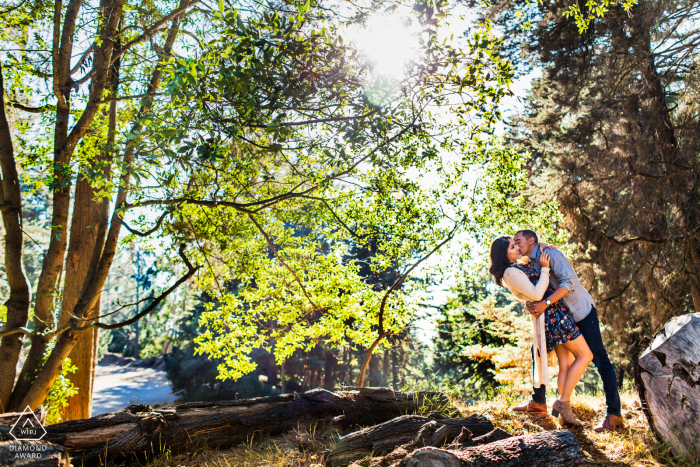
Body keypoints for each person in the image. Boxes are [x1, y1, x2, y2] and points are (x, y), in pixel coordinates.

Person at [513, 230, 623, 432]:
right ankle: (561, 410)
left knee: (599, 359)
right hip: (561, 318)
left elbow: (568, 283)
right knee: (561, 361)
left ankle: (614, 415)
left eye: (518, 241)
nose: (516, 246)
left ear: (531, 240)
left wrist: (545, 303)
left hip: (581, 312)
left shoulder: (552, 255)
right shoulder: (531, 261)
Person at [489, 236, 593, 426]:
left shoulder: (516, 267)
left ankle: (564, 410)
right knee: (585, 355)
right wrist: (545, 268)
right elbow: (536, 293)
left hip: (553, 312)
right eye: (513, 247)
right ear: (504, 254)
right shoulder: (510, 272)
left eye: (516, 244)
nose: (517, 248)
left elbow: (531, 264)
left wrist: (542, 245)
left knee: (566, 362)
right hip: (554, 317)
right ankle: (563, 403)